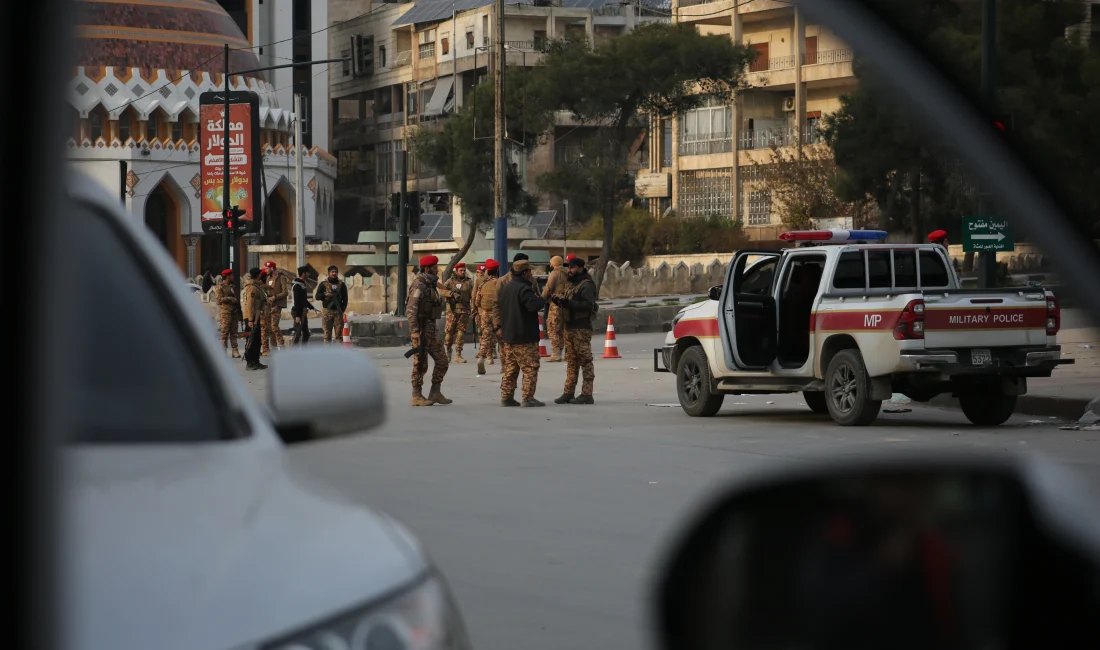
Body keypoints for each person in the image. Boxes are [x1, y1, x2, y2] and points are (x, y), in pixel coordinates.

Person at [494, 259, 548, 407]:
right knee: (530, 367)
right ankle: (528, 397)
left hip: (509, 335)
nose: (531, 274)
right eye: (530, 271)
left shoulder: (505, 288)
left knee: (511, 367)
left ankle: (507, 396)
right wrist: (542, 299)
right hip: (523, 335)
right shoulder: (524, 289)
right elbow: (532, 306)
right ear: (525, 273)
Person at [552, 256, 598, 404]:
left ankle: (587, 393)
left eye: (572, 267)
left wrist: (569, 303)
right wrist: (559, 302)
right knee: (571, 361)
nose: (569, 270)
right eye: (568, 268)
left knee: (585, 360)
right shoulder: (571, 284)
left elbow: (587, 306)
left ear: (579, 267)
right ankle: (568, 392)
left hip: (581, 328)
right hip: (569, 327)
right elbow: (568, 303)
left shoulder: (586, 285)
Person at [407, 255, 451, 406]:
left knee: (442, 360)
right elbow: (411, 309)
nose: (437, 270)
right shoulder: (419, 285)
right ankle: (416, 395)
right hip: (421, 330)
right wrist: (414, 331)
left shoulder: (431, 284)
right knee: (421, 364)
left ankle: (435, 392)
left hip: (431, 329)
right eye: (435, 268)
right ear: (427, 269)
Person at [474, 259, 501, 375]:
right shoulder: (500, 283)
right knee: (502, 340)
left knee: (485, 338)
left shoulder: (483, 284)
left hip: (485, 314)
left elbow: (477, 302)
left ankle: (481, 358)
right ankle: (504, 366)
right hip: (498, 315)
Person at [443, 261, 473, 363]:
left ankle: (458, 355)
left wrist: (474, 308)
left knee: (461, 333)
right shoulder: (450, 281)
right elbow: (441, 290)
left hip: (464, 310)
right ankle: (448, 351)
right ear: (456, 271)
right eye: (461, 270)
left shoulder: (469, 282)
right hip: (452, 311)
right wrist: (451, 294)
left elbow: (473, 295)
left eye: (464, 270)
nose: (463, 272)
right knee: (449, 333)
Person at [541, 255, 568, 362]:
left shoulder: (554, 273)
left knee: (553, 328)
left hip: (555, 304)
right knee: (561, 330)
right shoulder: (567, 273)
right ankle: (562, 352)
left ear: (554, 263)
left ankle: (556, 353)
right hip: (565, 304)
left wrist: (541, 299)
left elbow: (548, 288)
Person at [242, 267, 268, 370]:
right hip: (251, 318)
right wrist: (250, 320)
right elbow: (250, 304)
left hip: (256, 317)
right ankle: (250, 363)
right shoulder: (252, 288)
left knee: (257, 341)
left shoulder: (257, 286)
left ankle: (256, 361)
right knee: (251, 341)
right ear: (259, 275)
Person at [314, 265, 349, 344]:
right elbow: (317, 296)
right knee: (327, 335)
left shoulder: (342, 285)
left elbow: (345, 299)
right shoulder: (323, 284)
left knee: (339, 335)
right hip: (327, 312)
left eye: (336, 272)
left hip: (338, 312)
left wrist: (341, 310)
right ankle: (328, 353)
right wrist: (325, 294)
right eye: (332, 272)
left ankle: (338, 353)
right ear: (329, 273)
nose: (334, 273)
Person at [214, 268, 240, 358]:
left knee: (234, 332)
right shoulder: (220, 287)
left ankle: (235, 350)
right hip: (226, 313)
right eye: (231, 275)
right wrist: (230, 299)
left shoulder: (232, 287)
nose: (233, 276)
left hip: (234, 312)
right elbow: (218, 300)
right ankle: (223, 350)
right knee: (224, 332)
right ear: (227, 276)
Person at [263, 260, 288, 351]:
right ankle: (273, 346)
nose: (265, 270)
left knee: (274, 326)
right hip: (269, 305)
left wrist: (275, 297)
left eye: (267, 268)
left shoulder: (281, 278)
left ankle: (281, 344)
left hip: (277, 304)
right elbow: (266, 290)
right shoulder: (268, 278)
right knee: (269, 327)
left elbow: (285, 292)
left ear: (272, 268)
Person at [291, 265, 315, 345]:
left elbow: (303, 300)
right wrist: (297, 316)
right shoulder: (297, 286)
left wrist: (312, 307)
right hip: (298, 311)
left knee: (306, 333)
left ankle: (303, 351)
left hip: (303, 312)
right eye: (307, 273)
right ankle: (294, 351)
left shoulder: (302, 284)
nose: (309, 275)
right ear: (303, 274)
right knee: (297, 333)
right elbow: (297, 301)